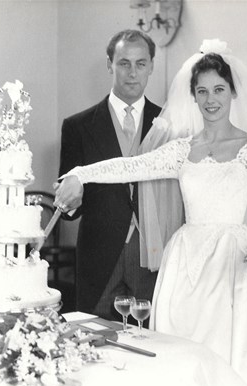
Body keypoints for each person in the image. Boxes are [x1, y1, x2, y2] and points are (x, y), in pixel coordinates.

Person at [55, 39, 247, 386]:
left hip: (236, 262)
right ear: (193, 97)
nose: (211, 99)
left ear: (233, 93)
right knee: (185, 355)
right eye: (203, 91)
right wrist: (80, 173)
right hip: (187, 263)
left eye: (219, 89)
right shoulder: (183, 150)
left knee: (246, 353)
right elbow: (128, 166)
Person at [57, 30, 162, 322]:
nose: (132, 73)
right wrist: (70, 199)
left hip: (151, 257)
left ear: (151, 66)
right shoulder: (77, 126)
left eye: (141, 64)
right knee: (94, 342)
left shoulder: (168, 124)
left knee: (152, 342)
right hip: (99, 257)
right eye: (123, 63)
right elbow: (67, 211)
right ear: (109, 64)